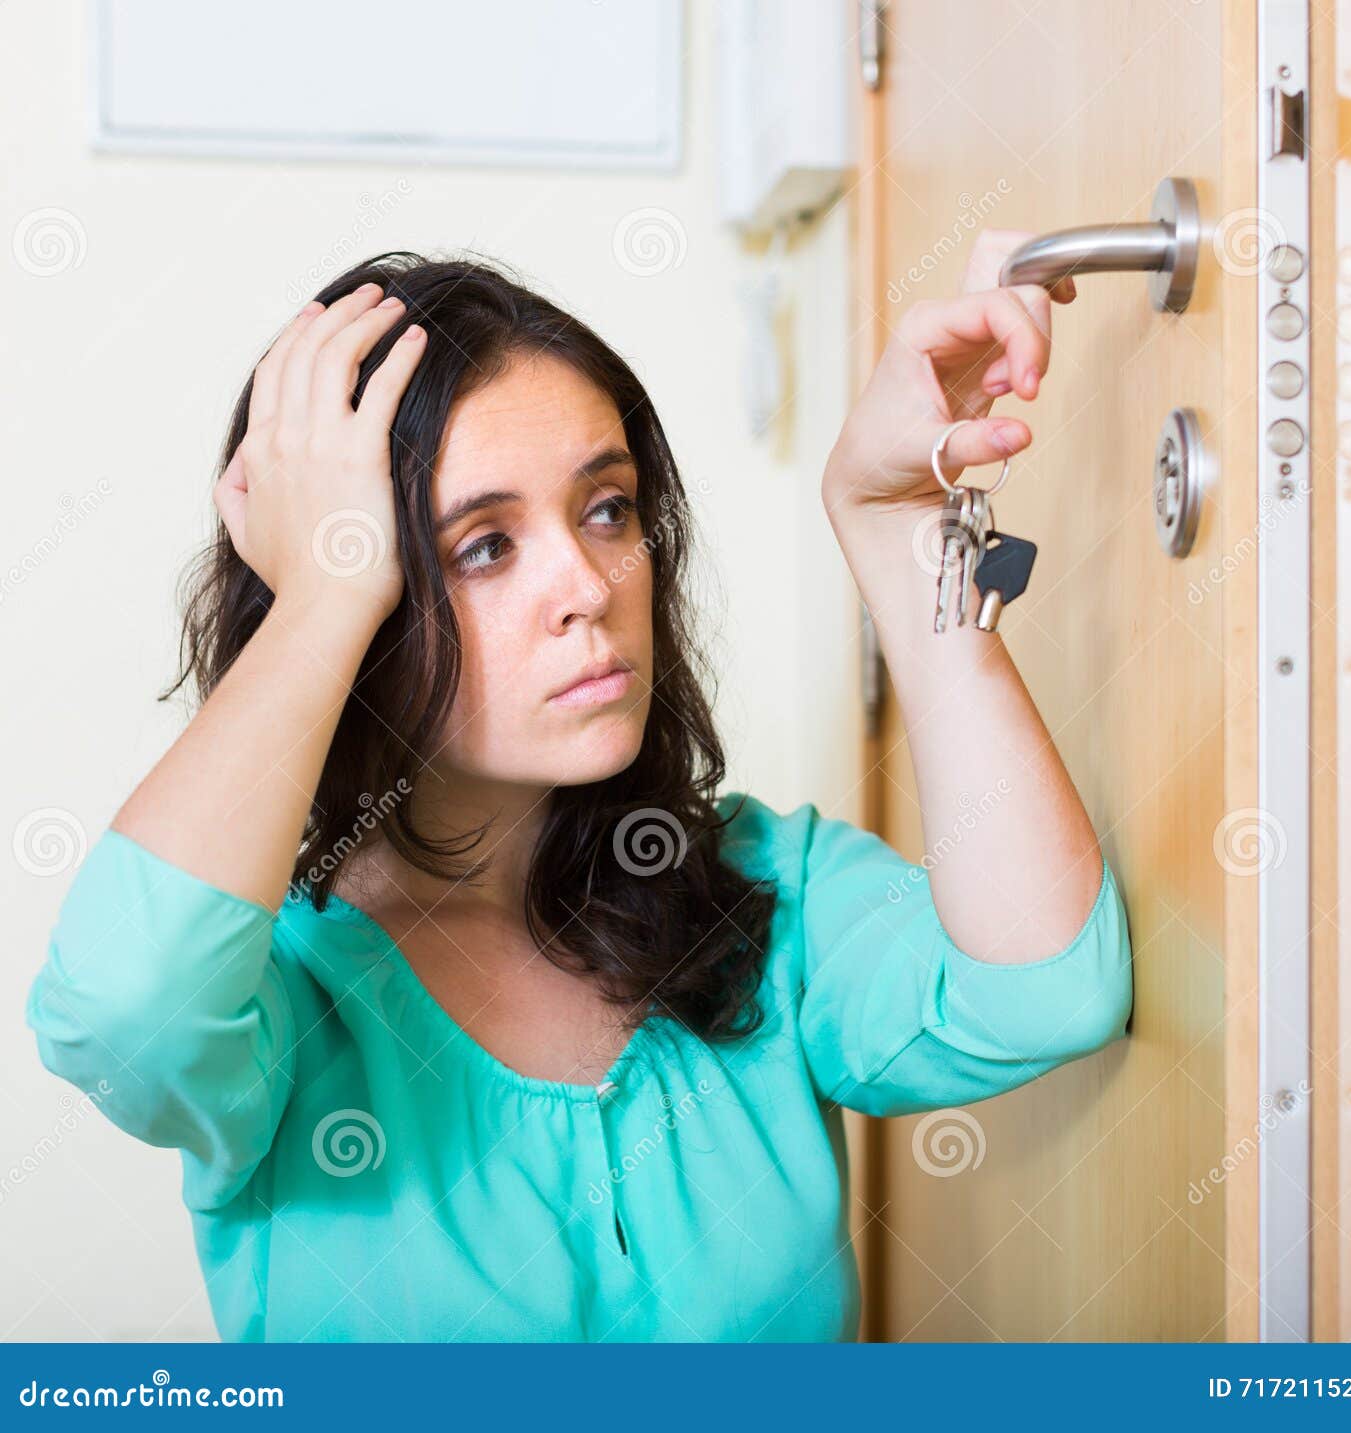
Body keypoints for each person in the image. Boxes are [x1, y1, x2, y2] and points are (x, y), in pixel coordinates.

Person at [24, 234, 1130, 1341]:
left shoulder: (764, 894)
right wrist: (323, 592)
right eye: (484, 545)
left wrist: (895, 528)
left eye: (606, 509)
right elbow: (120, 1012)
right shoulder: (275, 997)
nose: (587, 583)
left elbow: (1045, 988)